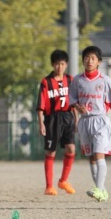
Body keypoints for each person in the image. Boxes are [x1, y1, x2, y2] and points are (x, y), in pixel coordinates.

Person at [69, 45, 111, 202]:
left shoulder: (105, 80)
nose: (89, 61)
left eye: (92, 58)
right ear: (83, 60)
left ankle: (98, 189)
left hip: (100, 121)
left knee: (99, 156)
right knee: (91, 158)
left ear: (98, 61)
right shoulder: (77, 80)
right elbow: (72, 101)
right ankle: (102, 190)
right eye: (86, 57)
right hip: (85, 122)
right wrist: (78, 107)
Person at [36, 50, 77, 196]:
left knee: (71, 149)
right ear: (53, 65)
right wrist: (41, 124)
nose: (59, 67)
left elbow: (74, 103)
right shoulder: (46, 82)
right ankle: (49, 186)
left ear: (66, 65)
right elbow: (40, 105)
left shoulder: (71, 80)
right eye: (57, 64)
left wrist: (76, 120)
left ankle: (63, 181)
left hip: (67, 117)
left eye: (62, 64)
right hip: (52, 119)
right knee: (51, 151)